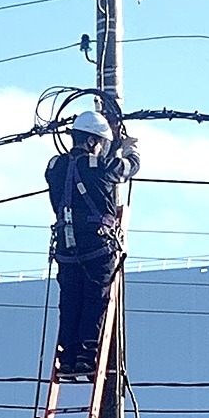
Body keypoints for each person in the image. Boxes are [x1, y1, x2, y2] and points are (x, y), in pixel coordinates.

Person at [47, 109, 141, 379]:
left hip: (65, 248)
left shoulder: (55, 166)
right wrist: (130, 150)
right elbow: (127, 169)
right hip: (98, 248)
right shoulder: (101, 166)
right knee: (94, 299)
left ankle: (66, 360)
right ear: (92, 141)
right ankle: (87, 357)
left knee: (70, 301)